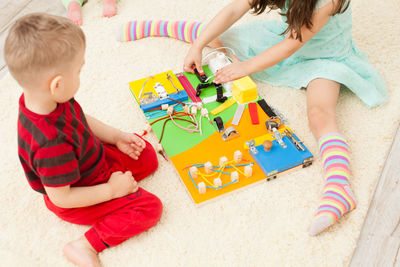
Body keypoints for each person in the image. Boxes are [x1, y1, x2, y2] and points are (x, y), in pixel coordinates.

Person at [118, 0, 387, 235]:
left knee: (319, 113)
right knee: (218, 39)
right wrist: (198, 46)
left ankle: (339, 188)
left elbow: (291, 45)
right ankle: (166, 26)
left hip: (324, 56)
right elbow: (236, 7)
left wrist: (243, 68)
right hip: (282, 40)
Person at [4, 13, 162, 266]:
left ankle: (115, 172)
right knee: (148, 208)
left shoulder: (49, 98)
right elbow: (61, 198)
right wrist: (112, 190)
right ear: (56, 84)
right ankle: (85, 246)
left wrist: (116, 136)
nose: (81, 74)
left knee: (146, 156)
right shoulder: (49, 145)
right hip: (77, 194)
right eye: (78, 70)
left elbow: (80, 119)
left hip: (93, 159)